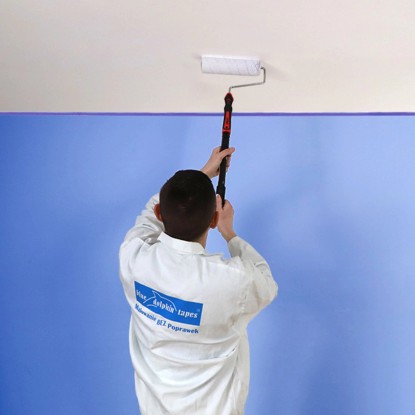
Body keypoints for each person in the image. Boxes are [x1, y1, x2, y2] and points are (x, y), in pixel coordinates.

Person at [119, 147, 278, 415]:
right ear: (213, 220)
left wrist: (202, 174)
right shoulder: (232, 282)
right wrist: (230, 233)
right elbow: (266, 282)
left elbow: (148, 215)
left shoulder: (133, 257)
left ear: (160, 212)